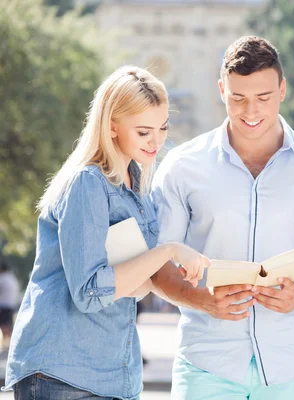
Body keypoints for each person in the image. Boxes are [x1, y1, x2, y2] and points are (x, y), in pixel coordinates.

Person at [150, 36, 294, 400]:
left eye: (263, 98)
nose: (251, 111)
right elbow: (157, 263)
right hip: (206, 366)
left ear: (282, 89)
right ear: (221, 90)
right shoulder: (181, 167)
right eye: (238, 98)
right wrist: (201, 299)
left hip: (292, 368)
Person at [2, 66, 208, 399]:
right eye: (144, 132)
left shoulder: (138, 192)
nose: (157, 141)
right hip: (62, 373)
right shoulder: (87, 183)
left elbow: (132, 288)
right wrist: (167, 251)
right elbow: (88, 292)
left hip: (113, 375)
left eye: (163, 128)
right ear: (112, 127)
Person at [0, 262, 19, 350]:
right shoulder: (13, 278)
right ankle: (10, 345)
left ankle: (6, 346)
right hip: (11, 305)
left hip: (3, 305)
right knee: (8, 325)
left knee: (4, 326)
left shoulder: (2, 278)